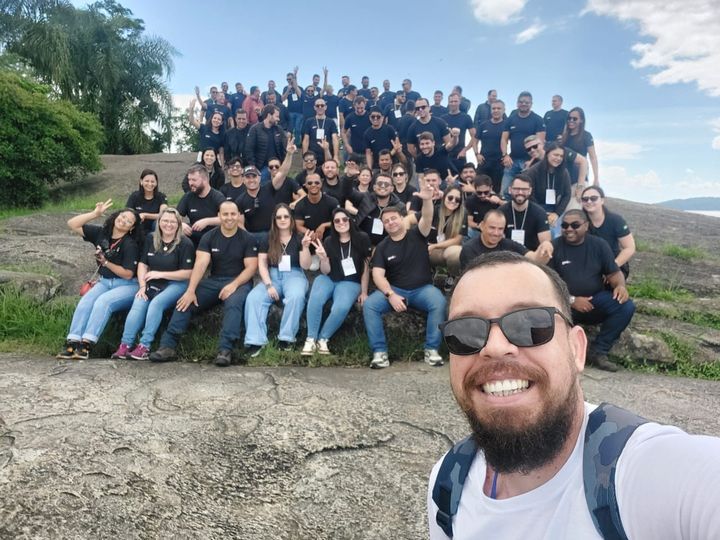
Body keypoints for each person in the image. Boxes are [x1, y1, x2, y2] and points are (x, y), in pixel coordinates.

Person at [429, 250, 720, 539]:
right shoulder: (446, 484)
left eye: (530, 323)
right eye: (465, 332)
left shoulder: (651, 474)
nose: (494, 348)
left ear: (577, 349)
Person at [149, 200, 258, 367]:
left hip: (239, 281)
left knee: (234, 304)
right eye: (225, 214)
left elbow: (251, 268)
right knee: (184, 301)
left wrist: (234, 285)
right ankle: (167, 346)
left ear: (238, 215)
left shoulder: (247, 238)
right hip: (214, 280)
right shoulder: (209, 237)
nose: (229, 217)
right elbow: (200, 264)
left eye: (233, 214)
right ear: (219, 216)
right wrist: (191, 290)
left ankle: (225, 350)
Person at [363, 180, 447, 369]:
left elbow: (427, 217)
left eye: (394, 218)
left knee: (439, 302)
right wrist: (390, 294)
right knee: (370, 305)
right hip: (396, 290)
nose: (390, 223)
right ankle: (379, 352)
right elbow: (377, 275)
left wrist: (427, 200)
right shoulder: (382, 247)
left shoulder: (418, 234)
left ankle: (432, 350)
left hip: (422, 290)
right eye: (386, 221)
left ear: (402, 218)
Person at [549, 209, 635, 371]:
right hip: (563, 305)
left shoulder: (599, 245)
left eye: (575, 225)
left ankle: (598, 351)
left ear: (586, 226)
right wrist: (572, 300)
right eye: (565, 225)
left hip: (594, 300)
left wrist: (620, 286)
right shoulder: (554, 247)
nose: (569, 229)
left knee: (625, 306)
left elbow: (613, 272)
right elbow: (548, 284)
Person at [57, 200, 142, 360]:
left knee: (103, 302)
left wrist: (106, 262)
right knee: (85, 302)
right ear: (116, 216)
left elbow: (128, 274)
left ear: (132, 228)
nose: (123, 221)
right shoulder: (102, 233)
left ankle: (86, 344)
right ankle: (72, 342)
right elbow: (72, 224)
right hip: (105, 282)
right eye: (123, 216)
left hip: (127, 285)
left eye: (129, 221)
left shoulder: (130, 244)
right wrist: (95, 214)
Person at [110, 207, 195, 361]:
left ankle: (144, 346)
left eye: (172, 222)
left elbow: (188, 273)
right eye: (165, 221)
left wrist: (160, 274)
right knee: (139, 301)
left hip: (176, 283)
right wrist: (142, 286)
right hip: (152, 282)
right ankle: (125, 345)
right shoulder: (151, 238)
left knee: (156, 303)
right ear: (159, 222)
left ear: (178, 224)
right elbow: (142, 264)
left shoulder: (185, 243)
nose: (168, 225)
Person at [243, 204, 312, 356]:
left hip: (294, 275)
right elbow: (262, 264)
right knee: (254, 298)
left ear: (291, 219)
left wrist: (306, 247)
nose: (282, 219)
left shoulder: (299, 238)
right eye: (279, 217)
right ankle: (255, 341)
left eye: (286, 216)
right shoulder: (267, 238)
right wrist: (268, 285)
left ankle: (286, 338)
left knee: (296, 296)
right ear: (274, 220)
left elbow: (306, 266)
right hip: (273, 275)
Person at [302, 207, 372, 356]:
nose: (341, 223)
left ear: (350, 220)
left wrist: (364, 292)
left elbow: (366, 267)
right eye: (337, 221)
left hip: (351, 282)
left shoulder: (362, 238)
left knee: (340, 307)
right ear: (333, 224)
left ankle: (323, 339)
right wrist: (323, 258)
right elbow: (325, 271)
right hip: (329, 278)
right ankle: (311, 339)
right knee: (315, 299)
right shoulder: (329, 241)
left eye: (344, 219)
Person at [236, 139, 297, 244]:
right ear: (243, 180)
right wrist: (249, 239)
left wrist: (289, 154)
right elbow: (240, 224)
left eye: (254, 176)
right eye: (248, 177)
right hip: (253, 237)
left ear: (259, 178)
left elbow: (282, 173)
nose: (251, 180)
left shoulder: (269, 187)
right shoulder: (240, 200)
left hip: (274, 234)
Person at [459, 209, 552, 269]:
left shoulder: (509, 245)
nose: (496, 233)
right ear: (482, 226)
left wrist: (545, 246)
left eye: (500, 229)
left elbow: (534, 259)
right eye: (492, 228)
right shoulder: (470, 249)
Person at [581, 186, 635, 278]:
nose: (589, 201)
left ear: (602, 200)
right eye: (585, 199)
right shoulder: (579, 221)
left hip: (614, 262)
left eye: (593, 198)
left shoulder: (616, 220)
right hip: (588, 264)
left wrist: (611, 268)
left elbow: (629, 248)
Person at [500, 91, 545, 198]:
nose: (524, 104)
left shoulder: (538, 120)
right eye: (521, 102)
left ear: (531, 104)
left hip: (530, 163)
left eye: (527, 102)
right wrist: (505, 155)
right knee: (505, 193)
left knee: (528, 193)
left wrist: (532, 161)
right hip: (512, 162)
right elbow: (504, 139)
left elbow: (540, 143)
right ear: (517, 103)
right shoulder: (510, 120)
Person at [522, 142, 572, 233]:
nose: (558, 158)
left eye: (561, 156)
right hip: (535, 208)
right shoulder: (533, 171)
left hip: (555, 210)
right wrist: (542, 213)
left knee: (558, 232)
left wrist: (557, 214)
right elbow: (529, 195)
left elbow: (567, 195)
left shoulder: (564, 172)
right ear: (547, 154)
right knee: (546, 231)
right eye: (555, 155)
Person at [500, 175, 551, 251]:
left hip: (532, 255)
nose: (520, 192)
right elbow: (497, 241)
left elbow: (545, 244)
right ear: (510, 190)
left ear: (530, 191)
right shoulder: (501, 212)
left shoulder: (539, 213)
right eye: (516, 189)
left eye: (524, 189)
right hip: (508, 255)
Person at [177, 164, 224, 246]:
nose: (190, 183)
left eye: (194, 180)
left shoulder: (217, 197)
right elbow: (175, 216)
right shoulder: (188, 196)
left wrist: (207, 221)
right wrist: (181, 224)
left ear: (205, 180)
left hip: (214, 238)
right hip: (193, 237)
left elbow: (227, 219)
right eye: (189, 180)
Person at [245, 104, 288, 184]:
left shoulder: (279, 129)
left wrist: (283, 166)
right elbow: (249, 150)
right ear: (269, 115)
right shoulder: (255, 129)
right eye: (276, 116)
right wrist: (254, 168)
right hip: (261, 168)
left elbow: (284, 150)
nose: (278, 119)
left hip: (277, 168)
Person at [475, 99, 507, 194]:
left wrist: (507, 156)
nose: (496, 110)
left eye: (499, 108)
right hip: (484, 162)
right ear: (490, 110)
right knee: (479, 188)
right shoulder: (483, 125)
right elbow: (474, 141)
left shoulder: (507, 125)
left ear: (504, 110)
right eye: (493, 108)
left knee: (496, 190)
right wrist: (477, 154)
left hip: (499, 163)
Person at [562, 106, 599, 186]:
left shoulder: (586, 136)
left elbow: (593, 157)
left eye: (575, 119)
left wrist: (596, 178)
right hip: (565, 177)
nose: (571, 120)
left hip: (580, 177)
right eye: (569, 118)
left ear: (581, 120)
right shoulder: (564, 136)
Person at [125, 169, 168, 234]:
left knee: (158, 222)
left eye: (152, 181)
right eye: (147, 181)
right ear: (141, 181)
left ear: (156, 183)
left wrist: (145, 215)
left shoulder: (161, 196)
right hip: (138, 229)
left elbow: (163, 214)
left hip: (156, 231)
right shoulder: (134, 196)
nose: (150, 184)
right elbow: (127, 213)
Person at [441, 93, 475, 172]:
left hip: (460, 155)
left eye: (455, 101)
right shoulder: (442, 118)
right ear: (448, 103)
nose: (453, 103)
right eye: (451, 101)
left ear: (459, 102)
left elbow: (474, 136)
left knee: (461, 178)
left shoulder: (466, 117)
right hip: (445, 155)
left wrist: (465, 150)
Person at [301, 97, 339, 165]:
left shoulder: (331, 122)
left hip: (327, 154)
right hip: (312, 156)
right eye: (317, 105)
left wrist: (336, 156)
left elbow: (335, 139)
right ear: (314, 108)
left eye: (322, 105)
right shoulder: (309, 121)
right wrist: (304, 157)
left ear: (325, 107)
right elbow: (306, 140)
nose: (320, 107)